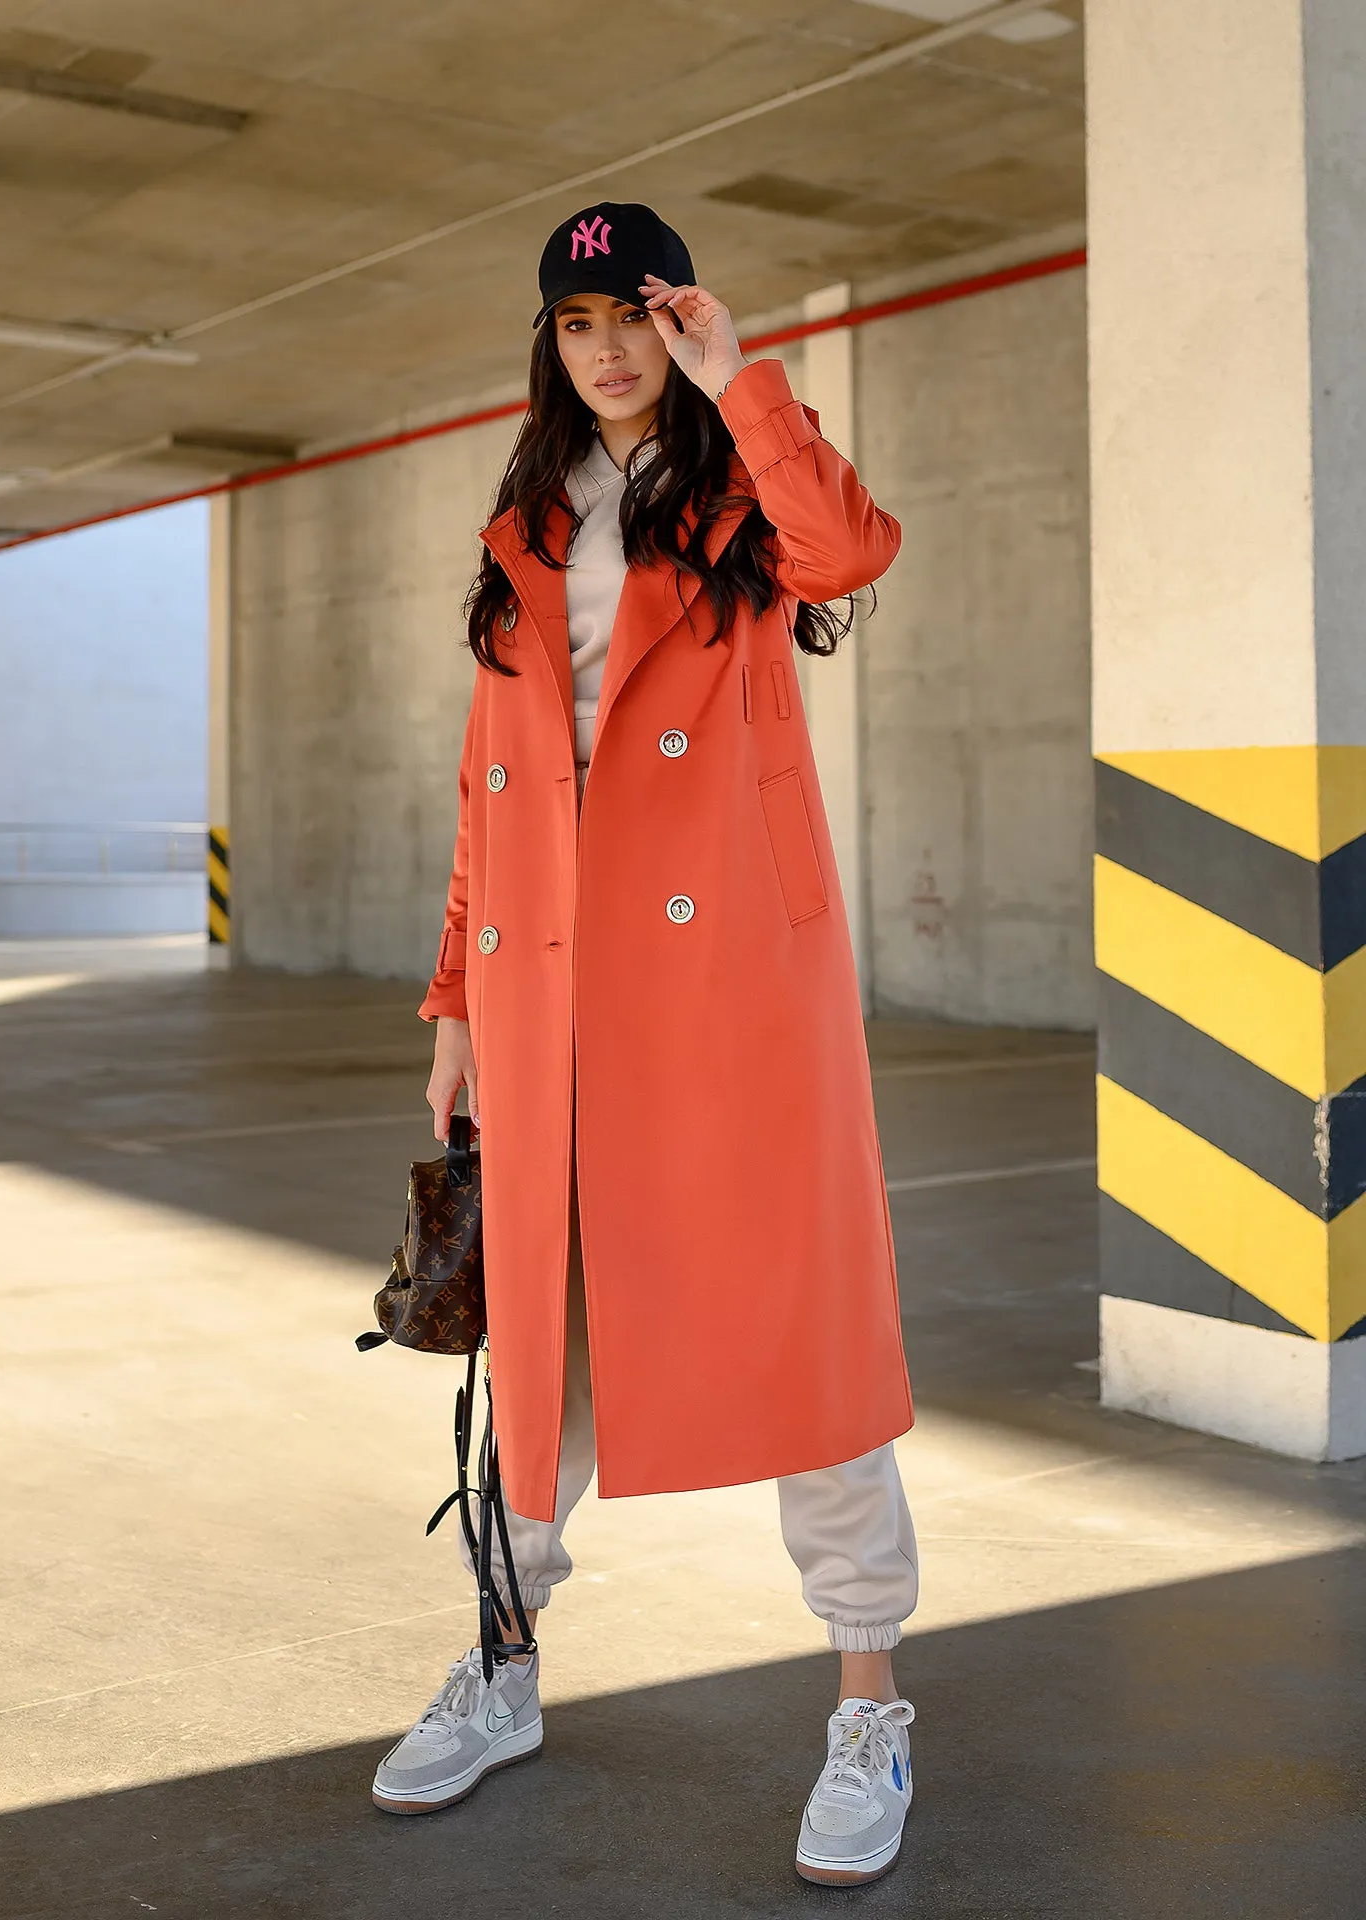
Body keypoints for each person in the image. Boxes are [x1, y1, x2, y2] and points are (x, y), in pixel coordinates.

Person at [371, 202, 917, 1888]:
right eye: (578, 321)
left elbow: (851, 552)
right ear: (547, 343)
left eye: (637, 313)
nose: (609, 347)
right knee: (544, 1333)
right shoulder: (525, 524)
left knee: (797, 1317)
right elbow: (490, 790)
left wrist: (741, 378)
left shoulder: (750, 485)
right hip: (548, 984)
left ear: (678, 321)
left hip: (731, 980)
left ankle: (870, 1701)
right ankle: (505, 1661)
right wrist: (455, 998)